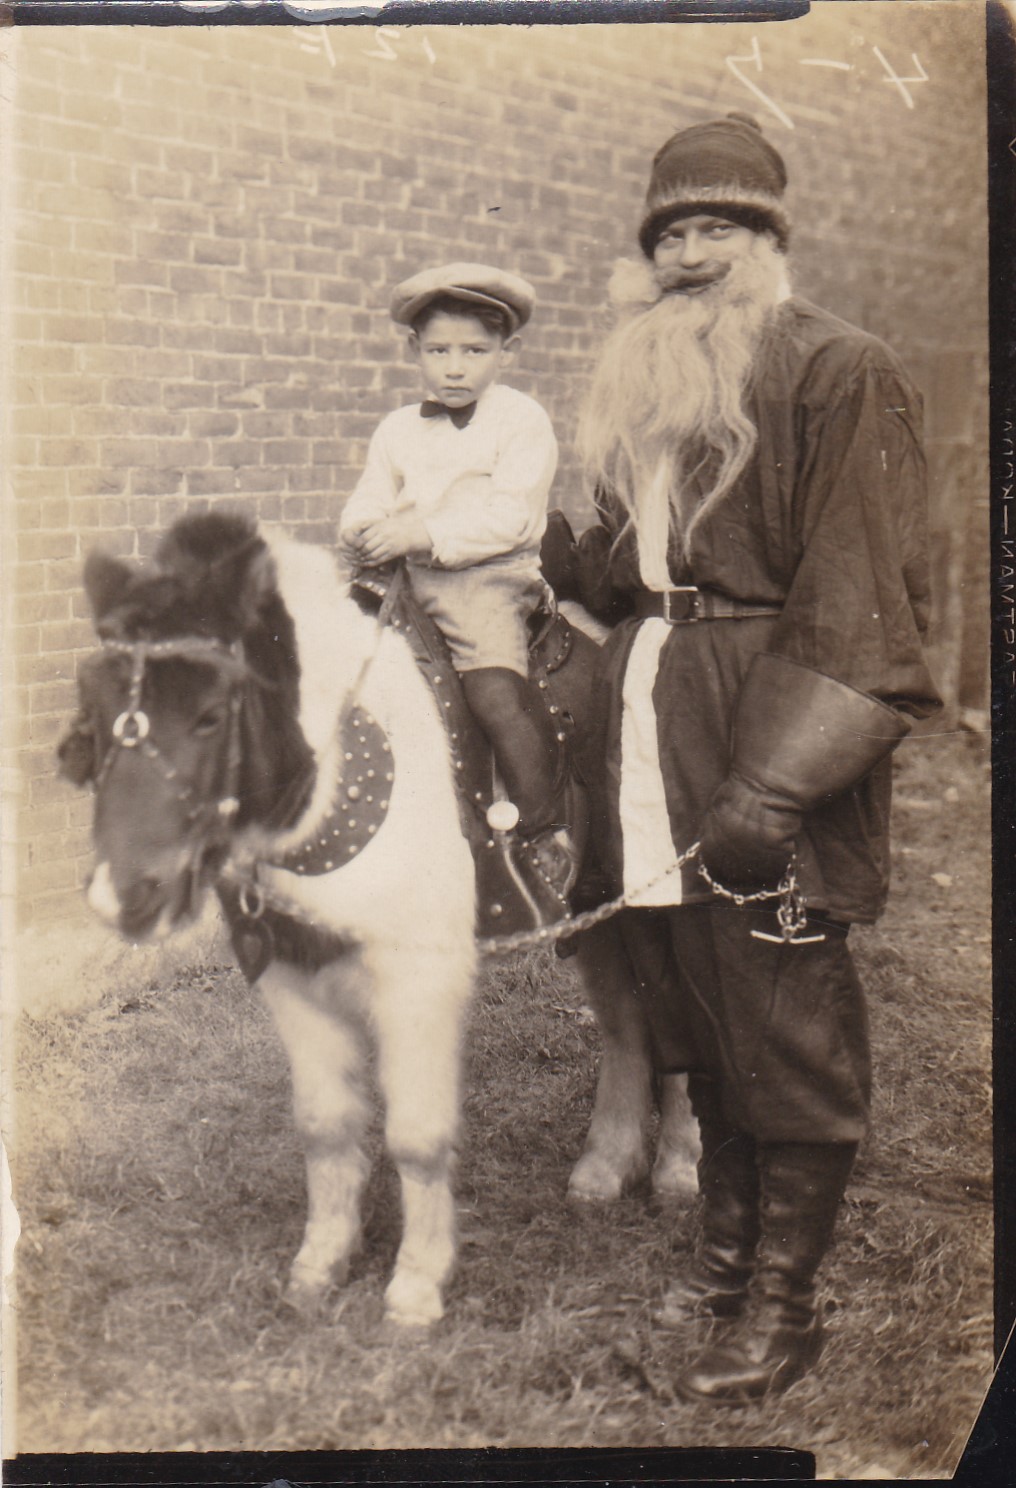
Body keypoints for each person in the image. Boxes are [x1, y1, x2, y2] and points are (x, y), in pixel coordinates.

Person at [562, 114, 942, 1402]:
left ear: (768, 243)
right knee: (701, 1013)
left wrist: (773, 785)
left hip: (763, 727)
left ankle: (781, 1312)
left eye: (716, 227)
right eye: (668, 233)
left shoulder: (841, 369)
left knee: (782, 1021)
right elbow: (619, 578)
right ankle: (721, 1273)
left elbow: (866, 603)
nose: (687, 253)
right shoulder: (654, 392)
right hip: (653, 731)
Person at [339, 262, 579, 905]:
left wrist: (419, 532)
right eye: (439, 350)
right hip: (410, 577)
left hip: (488, 578)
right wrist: (363, 529)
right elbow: (369, 497)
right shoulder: (397, 428)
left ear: (508, 352)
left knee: (494, 692)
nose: (454, 368)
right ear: (414, 349)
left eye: (475, 352)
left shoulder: (520, 420)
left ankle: (542, 825)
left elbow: (510, 517)